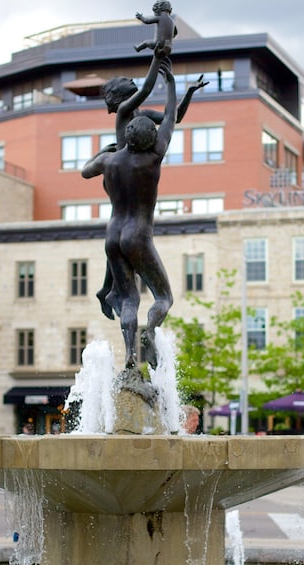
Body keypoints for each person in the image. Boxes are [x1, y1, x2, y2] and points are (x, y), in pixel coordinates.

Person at [91, 56, 207, 326]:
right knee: (125, 223)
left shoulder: (141, 117)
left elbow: (173, 116)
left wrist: (187, 93)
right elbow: (145, 90)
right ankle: (110, 289)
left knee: (119, 230)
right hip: (123, 176)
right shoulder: (124, 114)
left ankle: (107, 289)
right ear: (120, 96)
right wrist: (158, 60)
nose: (134, 83)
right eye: (128, 83)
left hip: (128, 175)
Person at [81, 61, 179, 370]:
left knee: (128, 300)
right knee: (163, 298)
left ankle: (130, 356)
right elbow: (171, 118)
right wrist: (172, 83)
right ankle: (149, 331)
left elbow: (84, 171)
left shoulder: (110, 160)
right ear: (150, 139)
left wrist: (102, 152)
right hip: (138, 234)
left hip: (113, 234)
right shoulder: (152, 159)